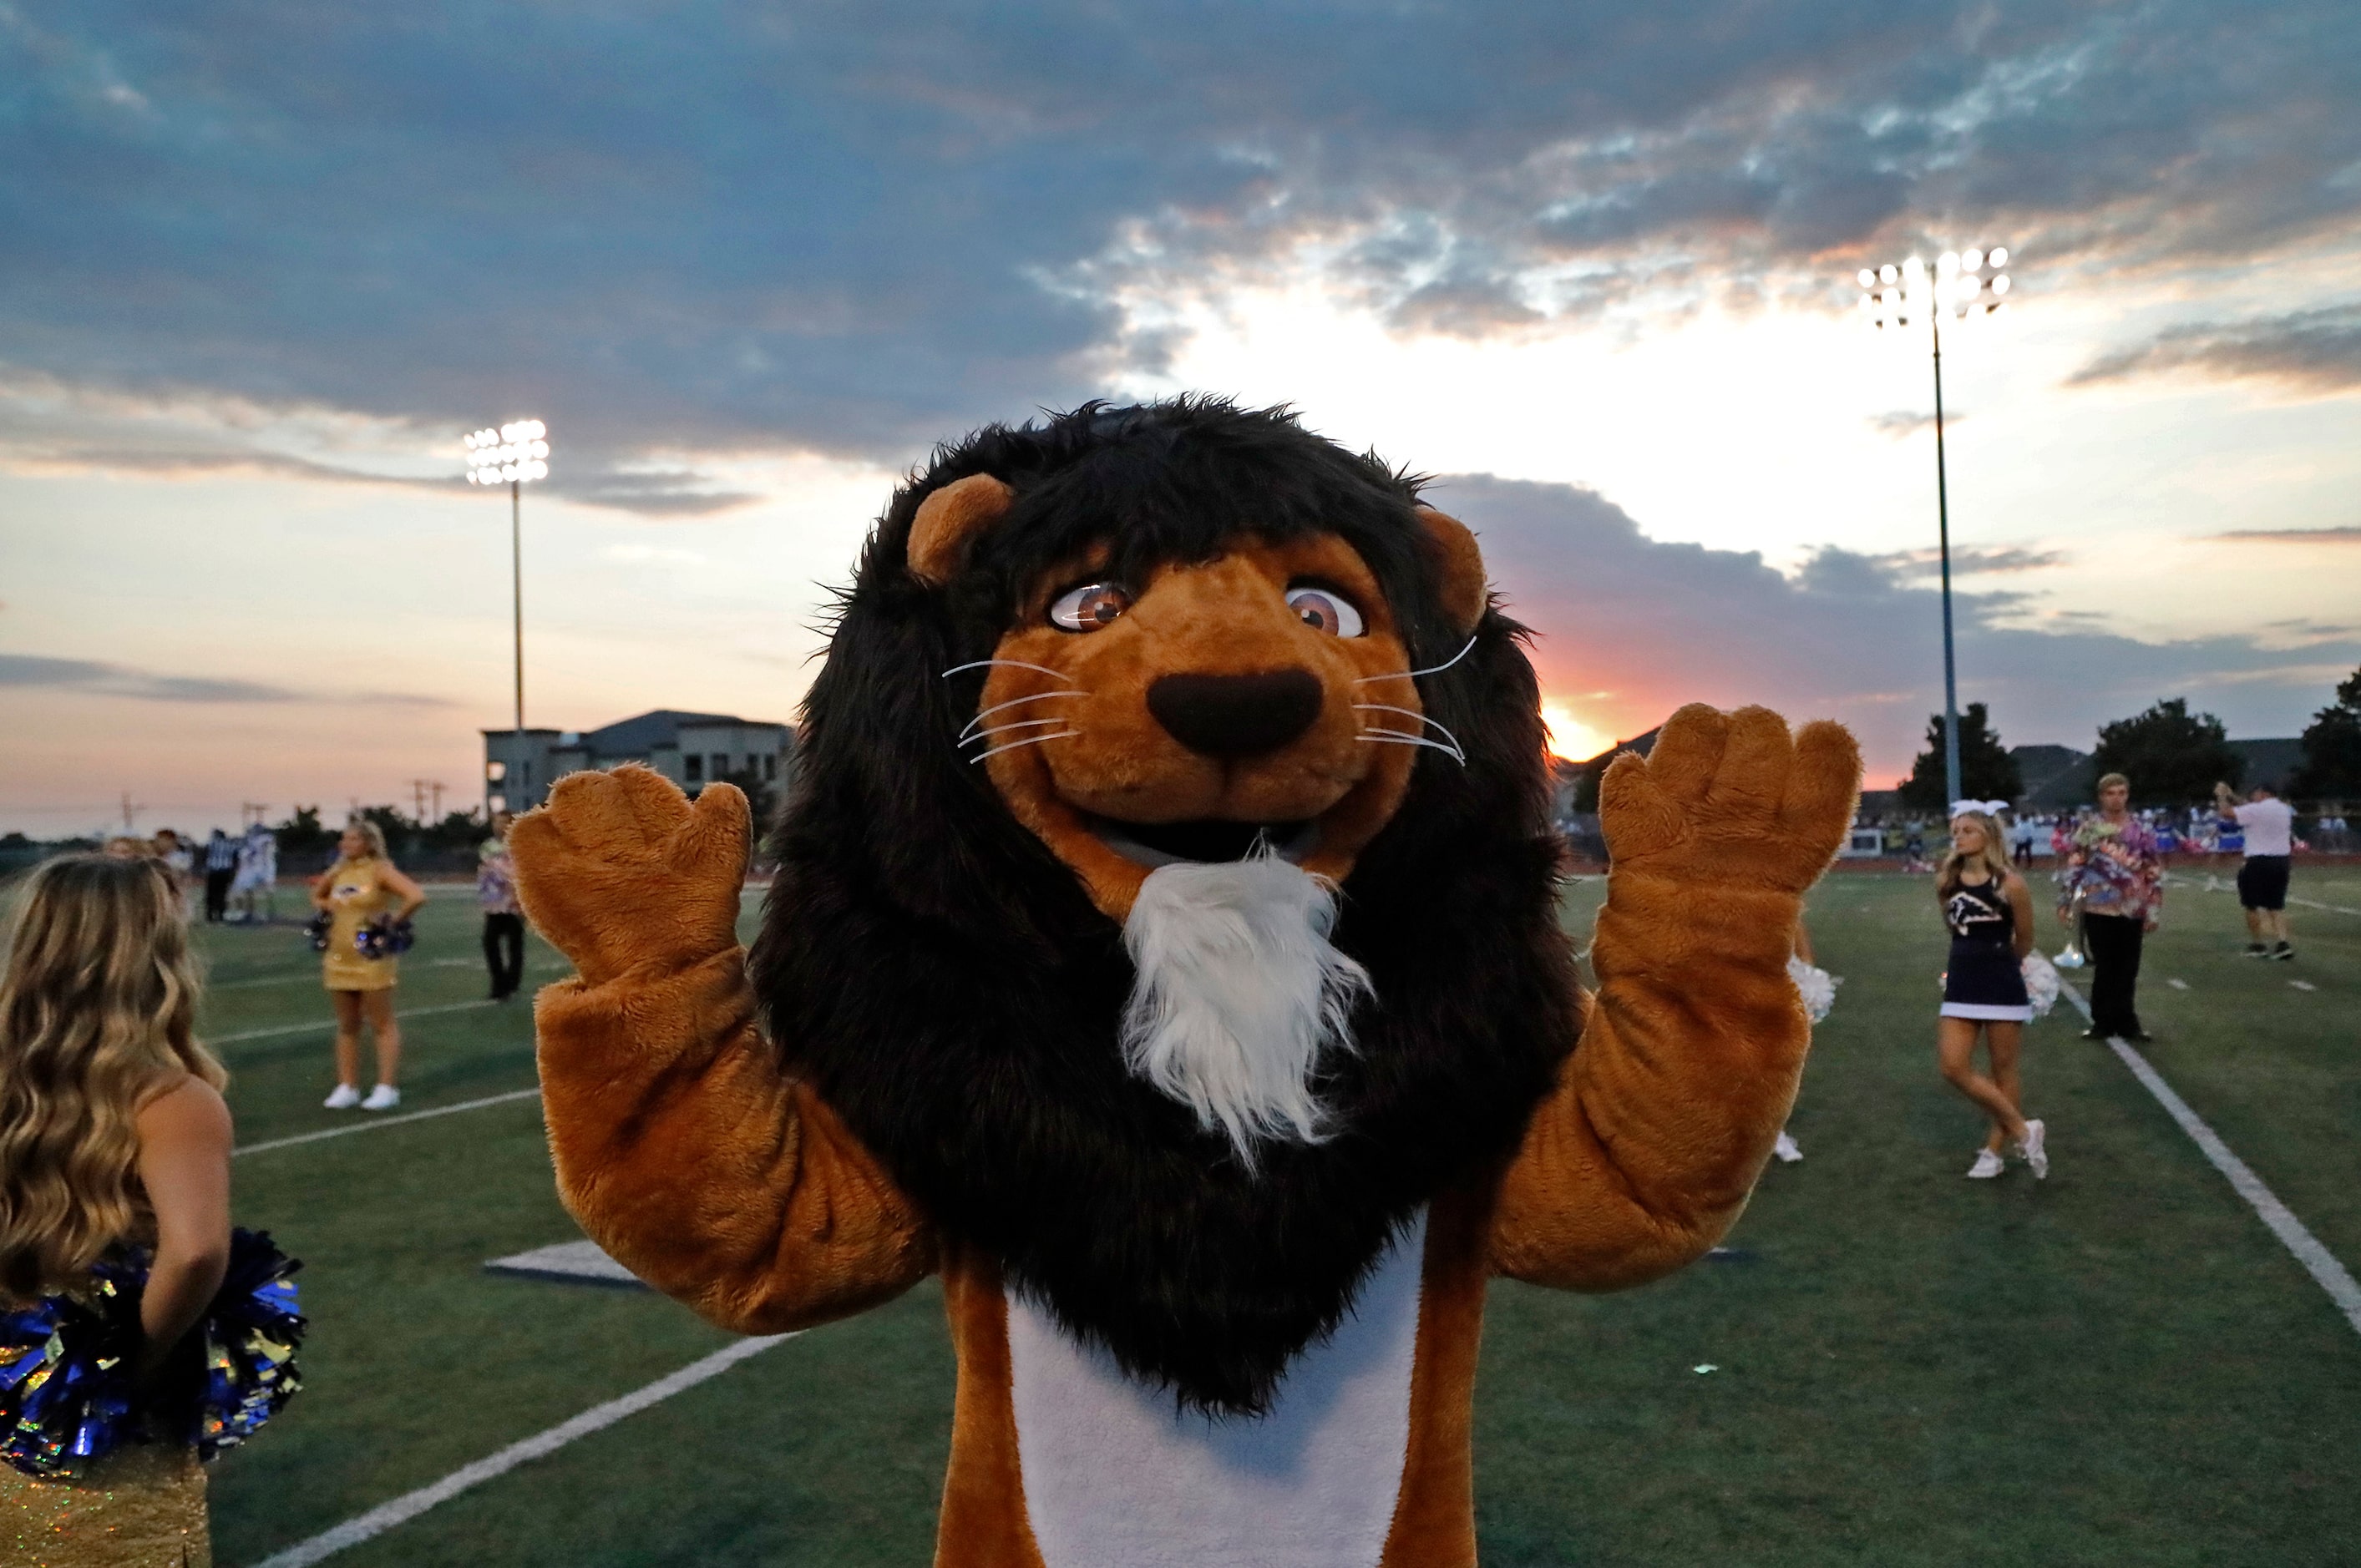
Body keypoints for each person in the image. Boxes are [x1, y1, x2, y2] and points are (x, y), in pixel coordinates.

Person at [0, 854, 234, 1562]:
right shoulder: (169, 1099)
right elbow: (195, 1250)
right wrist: (128, 1360)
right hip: (96, 1446)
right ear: (151, 953)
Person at [1936, 809, 2048, 1180]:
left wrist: (2002, 965)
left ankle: (1993, 1151)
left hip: (2001, 982)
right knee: (1953, 1066)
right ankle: (2022, 1128)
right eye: (1956, 831)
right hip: (1962, 982)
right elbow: (1954, 930)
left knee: (2004, 1070)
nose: (1960, 837)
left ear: (1987, 835)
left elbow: (2026, 938)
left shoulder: (2010, 883)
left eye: (1968, 830)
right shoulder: (1947, 881)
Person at [310, 821, 424, 1110]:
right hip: (338, 957)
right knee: (347, 1025)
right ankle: (347, 1086)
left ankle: (386, 1087)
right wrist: (326, 906)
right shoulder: (338, 871)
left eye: (352, 839)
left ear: (369, 843)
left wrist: (392, 920)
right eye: (343, 839)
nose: (345, 844)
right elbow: (317, 896)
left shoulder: (380, 870)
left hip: (371, 958)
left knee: (381, 1023)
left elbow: (416, 896)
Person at [2057, 772, 2164, 1043]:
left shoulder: (2142, 830)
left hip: (2133, 906)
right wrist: (2065, 901)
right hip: (2098, 906)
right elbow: (2075, 865)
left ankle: (2128, 1022)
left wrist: (2154, 908)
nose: (2116, 798)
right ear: (2101, 796)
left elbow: (2153, 869)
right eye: (2110, 793)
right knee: (2105, 965)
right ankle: (2102, 1022)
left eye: (2121, 792)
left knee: (2128, 968)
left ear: (2127, 795)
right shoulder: (2089, 830)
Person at [2215, 780, 2297, 960]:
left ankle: (2258, 944)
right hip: (2282, 861)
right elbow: (2249, 807)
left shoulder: (2256, 810)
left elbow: (2226, 813)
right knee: (2276, 905)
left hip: (2258, 861)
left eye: (2255, 794)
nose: (2252, 797)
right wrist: (2232, 795)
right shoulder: (2283, 809)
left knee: (2251, 904)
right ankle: (2283, 943)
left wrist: (2222, 796)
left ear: (2263, 794)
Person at [478, 811, 526, 1002]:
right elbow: (491, 870)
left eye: (503, 822)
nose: (499, 826)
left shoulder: (519, 844)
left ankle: (511, 984)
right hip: (495, 905)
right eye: (496, 822)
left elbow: (519, 870)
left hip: (514, 904)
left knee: (515, 946)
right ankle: (499, 984)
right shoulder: (488, 846)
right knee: (490, 943)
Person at [201, 828, 238, 923]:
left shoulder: (212, 843)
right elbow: (235, 858)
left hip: (213, 871)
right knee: (222, 894)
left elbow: (204, 854)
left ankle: (210, 915)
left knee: (211, 894)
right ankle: (221, 915)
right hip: (225, 871)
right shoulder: (230, 845)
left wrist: (204, 867)